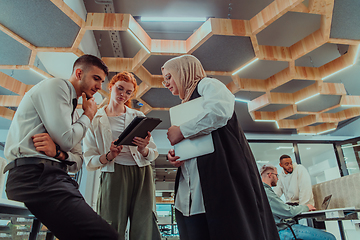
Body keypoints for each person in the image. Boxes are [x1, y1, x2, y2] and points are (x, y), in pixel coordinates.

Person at [162, 55, 279, 240]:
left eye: (169, 76)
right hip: (194, 190)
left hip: (218, 181)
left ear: (183, 71)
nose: (165, 83)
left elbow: (220, 111)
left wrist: (182, 131)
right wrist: (176, 153)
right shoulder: (184, 105)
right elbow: (199, 140)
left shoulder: (207, 85)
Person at [3, 55, 119, 240]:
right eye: (96, 78)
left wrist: (58, 153)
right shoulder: (57, 86)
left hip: (56, 177)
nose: (99, 87)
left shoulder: (73, 116)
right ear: (79, 73)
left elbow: (78, 161)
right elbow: (67, 140)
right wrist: (88, 114)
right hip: (35, 175)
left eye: (102, 81)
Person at [83, 71, 161, 240]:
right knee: (110, 222)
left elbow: (153, 153)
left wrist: (143, 149)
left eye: (128, 92)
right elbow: (89, 160)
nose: (123, 95)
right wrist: (109, 155)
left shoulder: (138, 116)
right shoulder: (95, 119)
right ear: (110, 87)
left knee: (144, 223)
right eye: (120, 89)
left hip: (142, 173)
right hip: (113, 173)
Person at [260, 164, 336, 240]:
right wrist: (306, 207)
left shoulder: (263, 192)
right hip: (283, 231)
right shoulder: (267, 193)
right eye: (276, 175)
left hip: (279, 229)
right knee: (330, 238)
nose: (277, 178)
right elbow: (288, 212)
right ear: (270, 175)